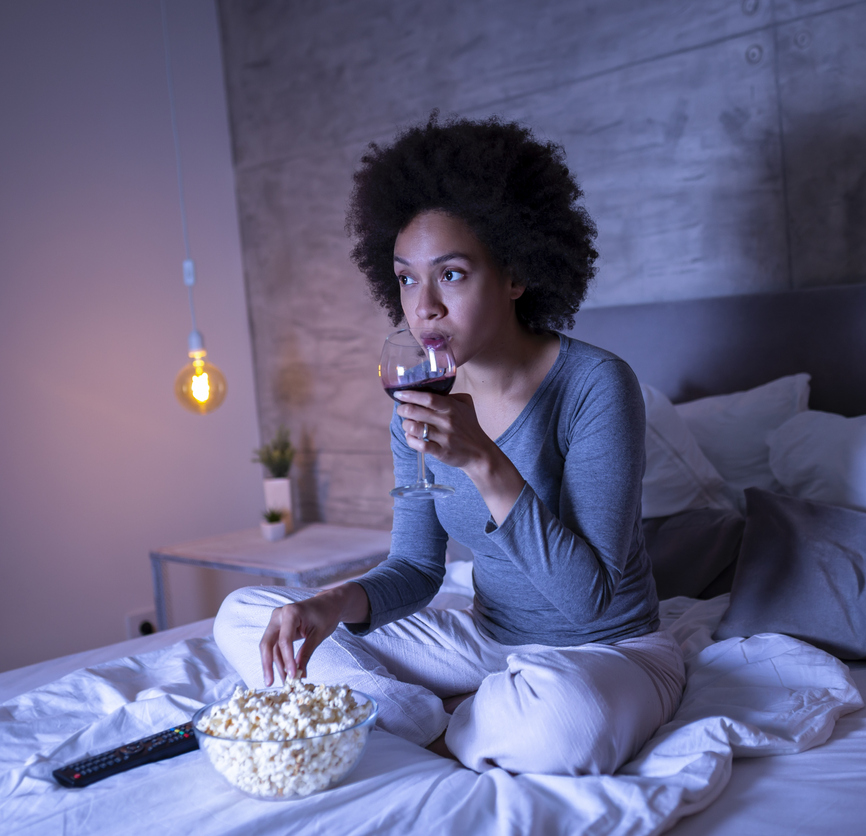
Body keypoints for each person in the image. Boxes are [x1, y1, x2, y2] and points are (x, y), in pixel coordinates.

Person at [214, 115, 684, 776]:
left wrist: (484, 461)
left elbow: (590, 602)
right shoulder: (417, 397)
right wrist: (331, 603)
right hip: (488, 639)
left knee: (565, 722)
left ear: (516, 273)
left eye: (453, 275)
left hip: (605, 651)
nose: (423, 307)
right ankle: (416, 715)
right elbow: (415, 569)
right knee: (248, 614)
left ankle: (410, 719)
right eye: (406, 279)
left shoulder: (596, 385)